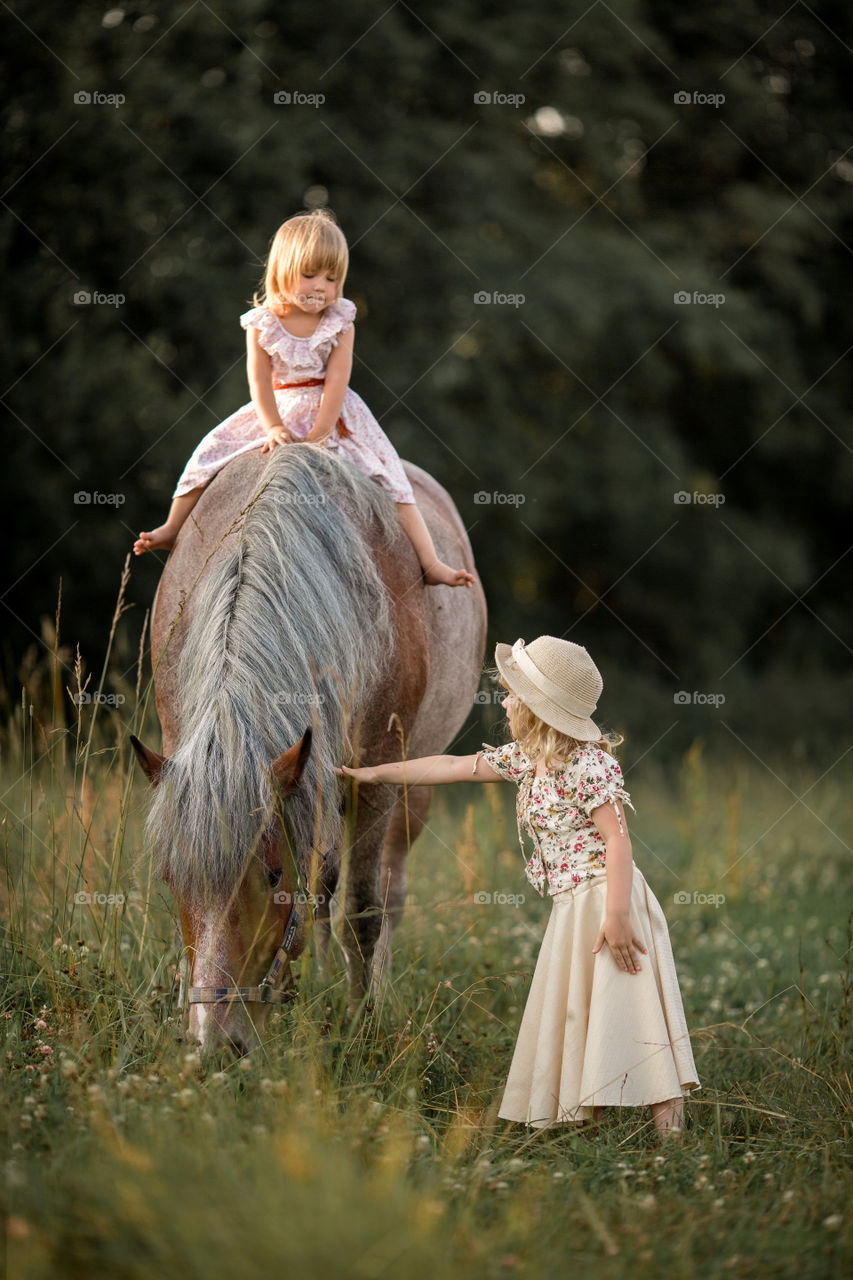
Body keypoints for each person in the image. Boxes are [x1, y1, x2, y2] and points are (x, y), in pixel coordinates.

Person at [339, 635, 700, 1137]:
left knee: (635, 1011)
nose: (504, 701)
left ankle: (673, 1136)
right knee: (579, 1011)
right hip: (570, 909)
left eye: (512, 694)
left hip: (607, 898)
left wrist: (618, 915)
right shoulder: (527, 759)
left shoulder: (589, 764)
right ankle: (584, 1129)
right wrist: (375, 773)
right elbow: (449, 767)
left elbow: (618, 842)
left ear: (537, 708)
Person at [133, 209, 475, 589]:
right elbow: (259, 379)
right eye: (309, 275)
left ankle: (430, 561)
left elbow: (338, 377)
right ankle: (171, 526)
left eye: (331, 278)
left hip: (332, 408)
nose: (320, 287)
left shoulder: (339, 321)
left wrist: (321, 431)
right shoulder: (263, 322)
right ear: (282, 271)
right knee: (210, 452)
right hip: (277, 406)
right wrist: (274, 425)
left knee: (391, 475)